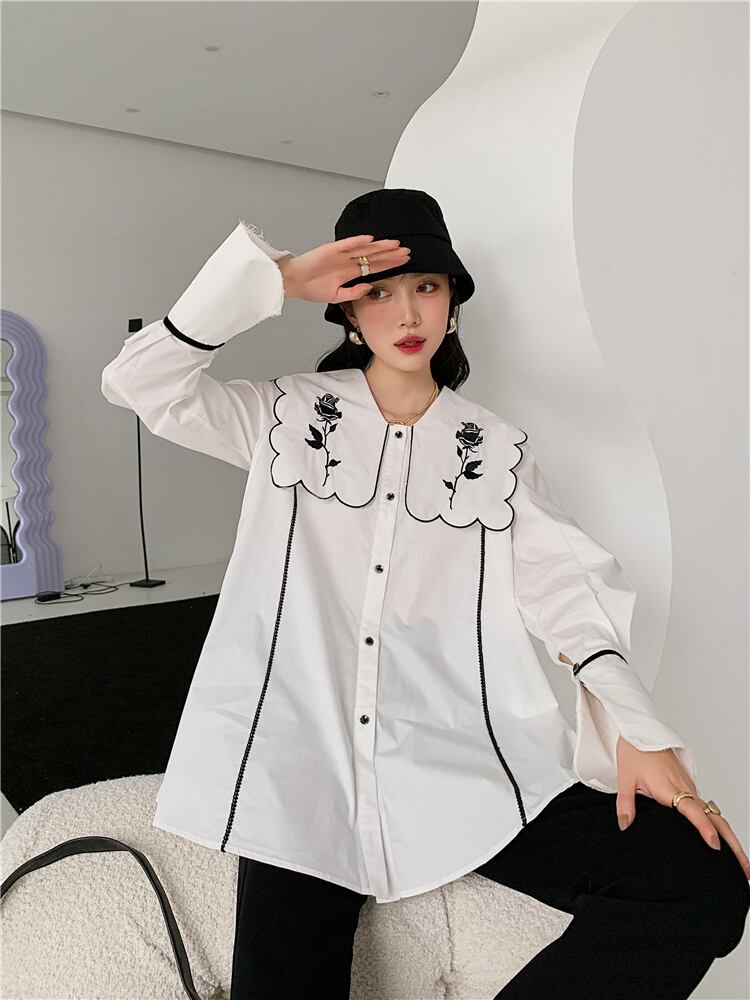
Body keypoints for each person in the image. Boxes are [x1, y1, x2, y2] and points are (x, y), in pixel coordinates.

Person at [101, 189, 749, 999]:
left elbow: (570, 592)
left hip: (457, 764)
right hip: (302, 774)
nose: (407, 312)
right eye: (378, 291)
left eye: (427, 286)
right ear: (347, 310)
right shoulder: (285, 418)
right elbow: (139, 381)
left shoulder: (496, 453)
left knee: (700, 879)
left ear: (452, 303)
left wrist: (639, 734)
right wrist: (277, 279)